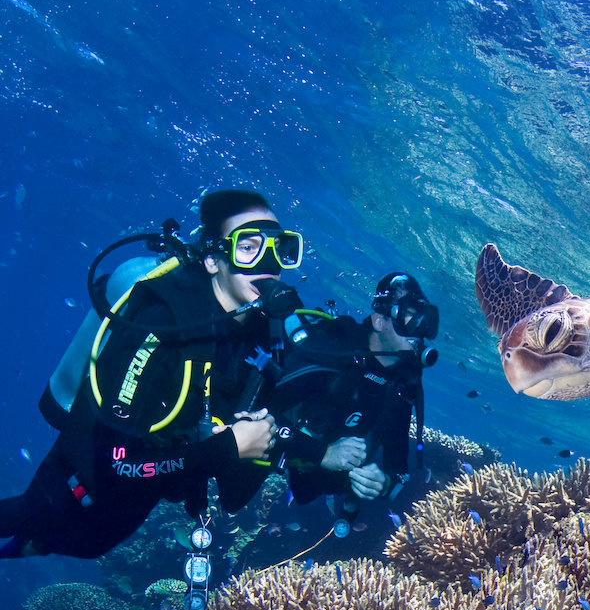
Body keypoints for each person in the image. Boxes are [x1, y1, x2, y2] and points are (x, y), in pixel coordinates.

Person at [0, 189, 301, 558]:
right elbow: (114, 463)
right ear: (212, 259)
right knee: (31, 522)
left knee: (69, 545)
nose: (268, 263)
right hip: (78, 484)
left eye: (281, 247)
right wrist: (226, 448)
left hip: (132, 504)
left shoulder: (255, 333)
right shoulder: (162, 324)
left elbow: (234, 487)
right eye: (248, 247)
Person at [271, 272, 438, 522]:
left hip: (326, 478)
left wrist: (383, 483)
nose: (418, 332)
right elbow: (260, 411)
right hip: (280, 449)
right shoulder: (335, 351)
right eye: (409, 317)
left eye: (424, 321)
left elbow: (397, 465)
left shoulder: (403, 383)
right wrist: (322, 453)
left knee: (307, 493)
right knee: (235, 494)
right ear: (379, 320)